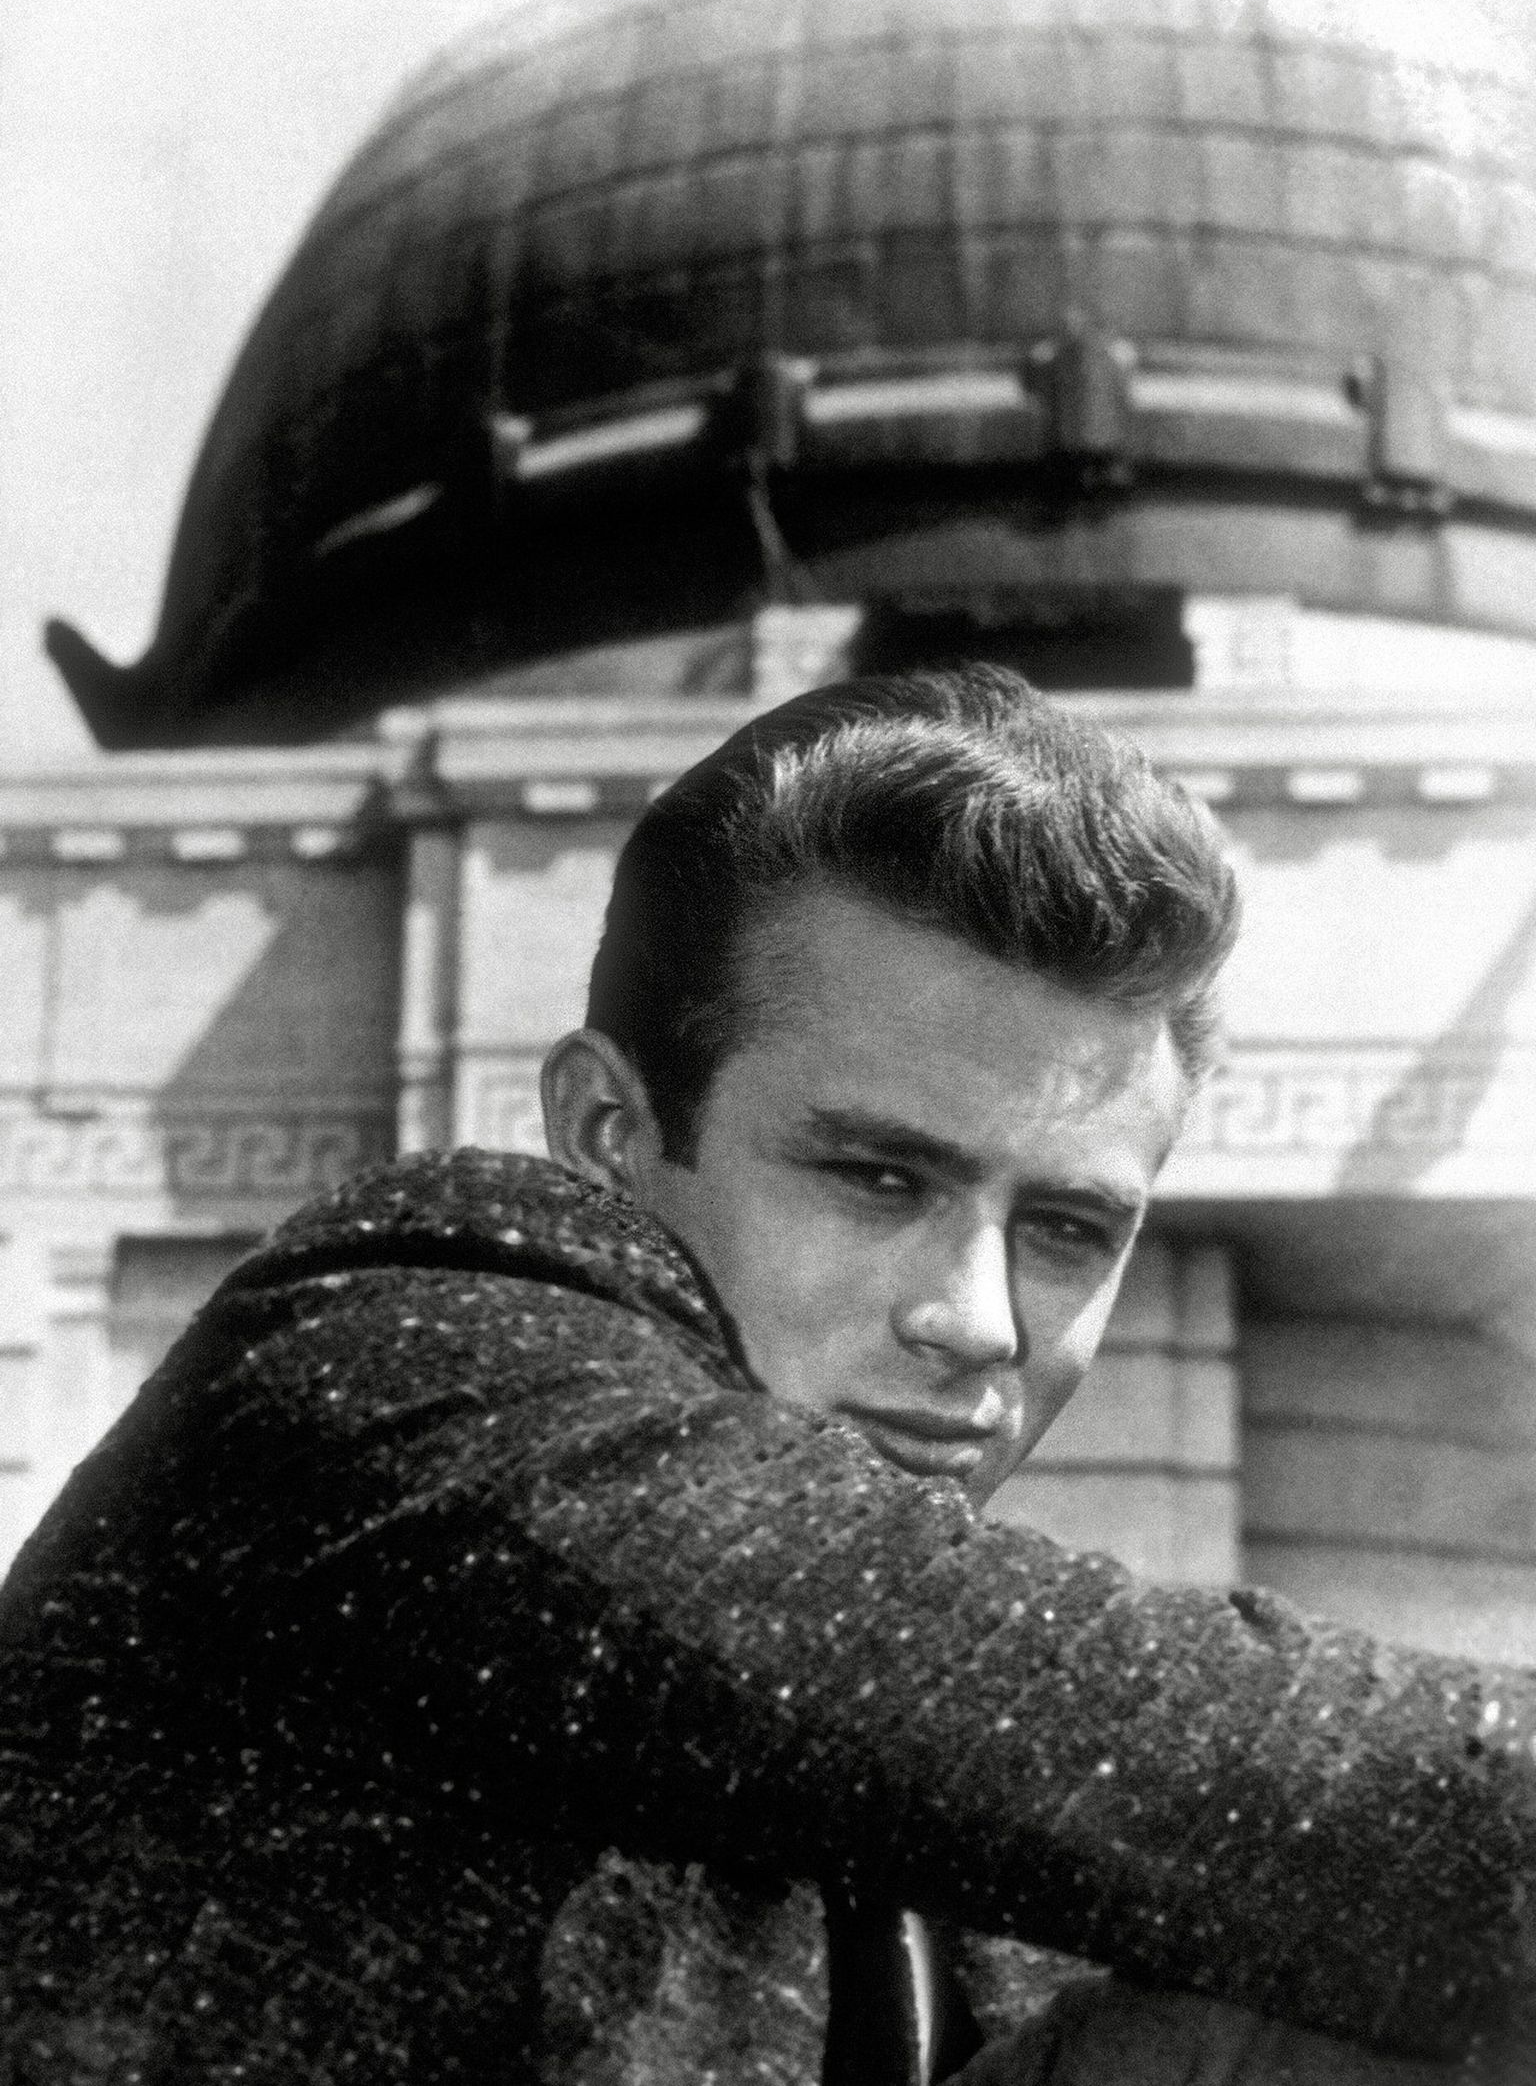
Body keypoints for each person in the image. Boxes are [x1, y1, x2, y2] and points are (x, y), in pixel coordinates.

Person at [0, 665, 1532, 2086]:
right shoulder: (397, 1345)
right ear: (608, 1134)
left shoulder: (973, 1878)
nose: (978, 1320)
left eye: (1067, 1228)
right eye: (877, 1178)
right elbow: (1273, 1764)